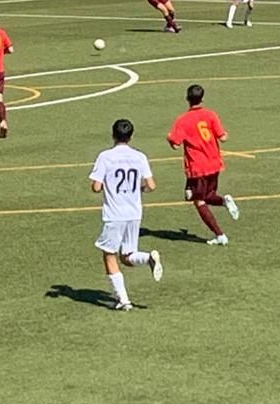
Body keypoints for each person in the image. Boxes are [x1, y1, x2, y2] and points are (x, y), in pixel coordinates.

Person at [90, 119, 163, 311]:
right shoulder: (139, 156)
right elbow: (151, 185)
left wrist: (107, 185)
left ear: (113, 135)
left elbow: (96, 187)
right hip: (134, 212)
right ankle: (148, 258)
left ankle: (123, 300)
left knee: (109, 255)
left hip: (115, 214)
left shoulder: (105, 156)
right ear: (130, 136)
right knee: (127, 256)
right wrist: (139, 189)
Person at [167, 84, 239, 246]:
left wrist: (169, 138)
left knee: (198, 200)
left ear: (187, 99)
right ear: (203, 99)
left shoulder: (183, 120)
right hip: (214, 162)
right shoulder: (211, 115)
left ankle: (220, 235)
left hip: (197, 166)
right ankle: (224, 201)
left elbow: (176, 144)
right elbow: (223, 137)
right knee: (208, 195)